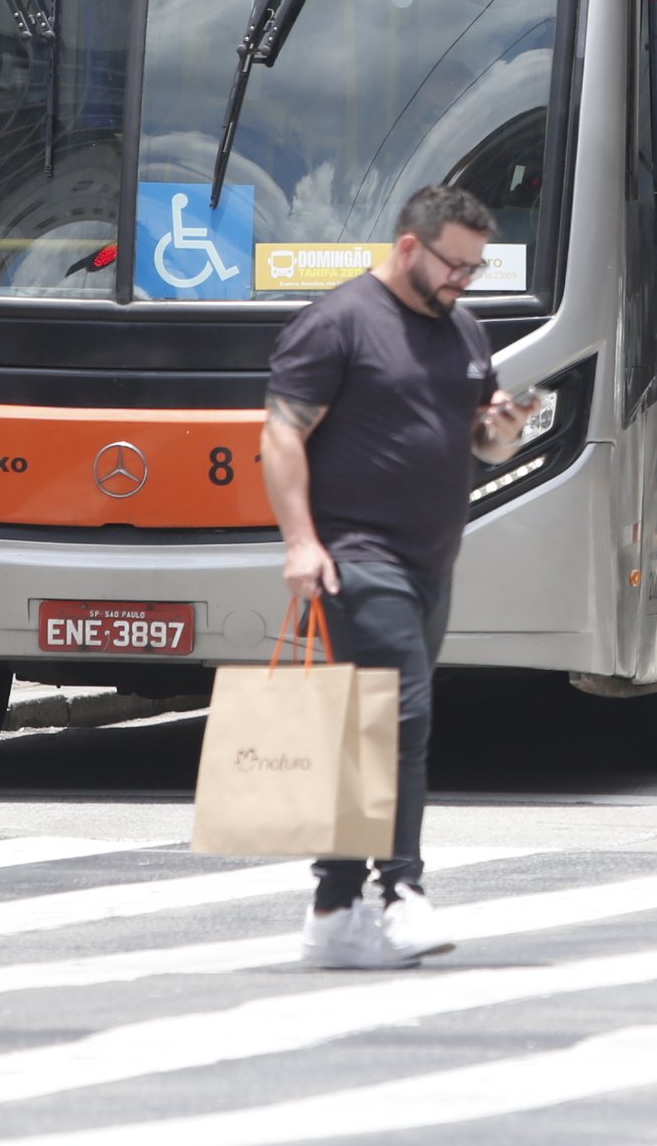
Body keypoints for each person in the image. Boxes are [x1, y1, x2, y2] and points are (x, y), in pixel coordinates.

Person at [260, 183, 529, 971]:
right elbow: (279, 440)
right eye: (455, 265)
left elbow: (481, 444)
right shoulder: (338, 323)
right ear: (409, 247)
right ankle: (401, 894)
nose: (464, 280)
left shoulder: (463, 329)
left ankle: (335, 907)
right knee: (400, 719)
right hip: (356, 557)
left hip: (430, 563)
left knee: (364, 733)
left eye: (475, 269)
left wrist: (503, 431)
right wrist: (301, 543)